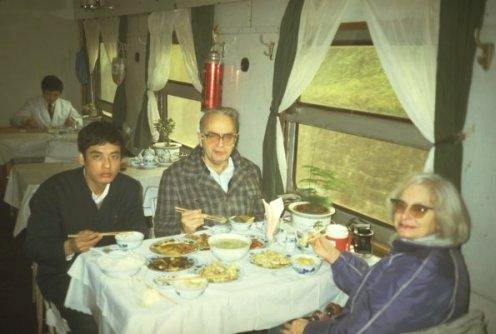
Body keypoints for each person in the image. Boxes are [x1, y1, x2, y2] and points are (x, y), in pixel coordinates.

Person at [282, 173, 470, 334]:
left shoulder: (421, 268)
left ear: (442, 216)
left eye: (419, 209)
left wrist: (308, 329)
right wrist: (336, 257)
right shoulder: (426, 252)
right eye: (401, 205)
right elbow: (375, 289)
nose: (405, 215)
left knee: (282, 324)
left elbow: (360, 331)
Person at [25, 121, 147, 333]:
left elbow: (139, 231)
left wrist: (132, 238)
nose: (107, 166)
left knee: (144, 313)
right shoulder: (54, 191)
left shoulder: (129, 188)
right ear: (81, 158)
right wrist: (70, 246)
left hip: (117, 274)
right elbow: (33, 247)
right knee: (89, 324)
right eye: (97, 156)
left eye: (114, 156)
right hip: (65, 275)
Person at [154, 107, 264, 237]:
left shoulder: (250, 171)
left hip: (242, 251)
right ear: (200, 138)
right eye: (212, 136)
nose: (220, 144)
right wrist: (183, 229)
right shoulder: (175, 175)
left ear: (235, 139)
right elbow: (161, 231)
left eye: (228, 137)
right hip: (199, 253)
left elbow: (260, 220)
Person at [11, 75, 83, 129]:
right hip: (38, 142)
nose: (51, 98)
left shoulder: (66, 105)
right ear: (43, 91)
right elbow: (14, 119)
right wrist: (26, 120)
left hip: (60, 141)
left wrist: (73, 121)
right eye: (48, 94)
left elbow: (80, 121)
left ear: (60, 94)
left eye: (55, 95)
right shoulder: (32, 103)